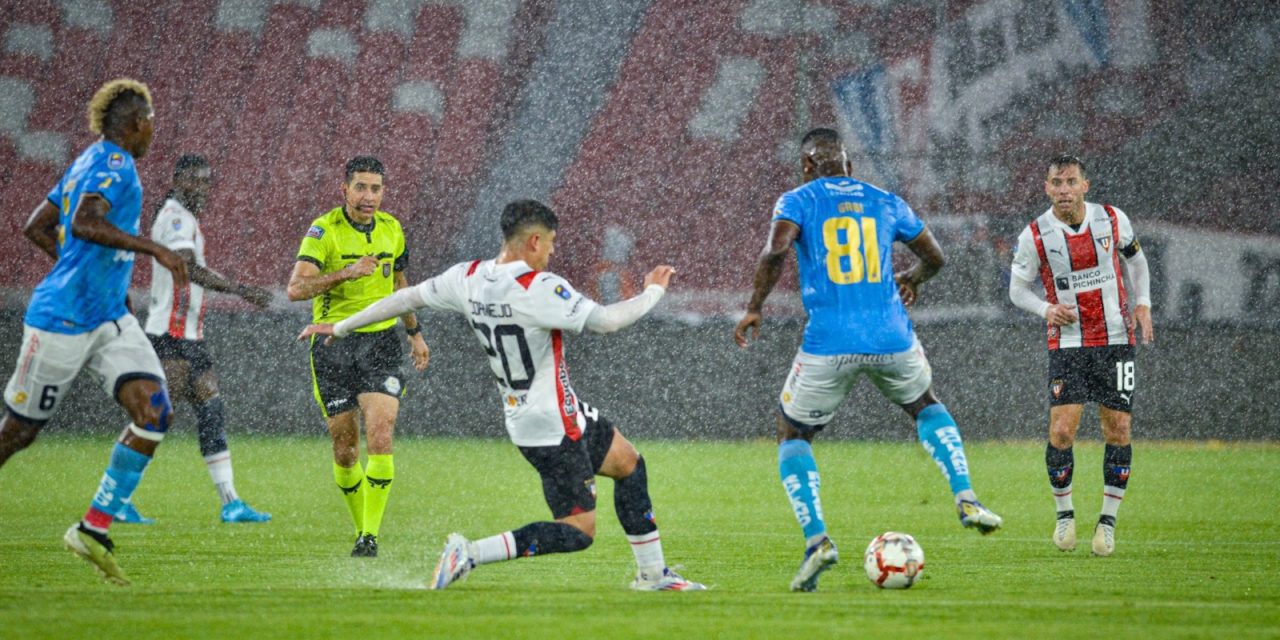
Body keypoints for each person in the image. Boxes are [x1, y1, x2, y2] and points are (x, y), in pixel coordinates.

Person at [298, 200, 705, 591]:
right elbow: (608, 320)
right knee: (579, 531)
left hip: (546, 413)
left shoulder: (468, 277)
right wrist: (653, 291)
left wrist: (341, 326)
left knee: (630, 464)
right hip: (552, 426)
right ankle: (471, 552)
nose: (551, 252)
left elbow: (407, 297)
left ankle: (654, 575)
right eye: (550, 243)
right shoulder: (540, 287)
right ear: (533, 242)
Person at [734, 127, 1002, 593]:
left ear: (807, 166)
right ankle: (967, 498)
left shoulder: (798, 199)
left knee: (793, 433)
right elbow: (935, 257)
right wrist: (913, 277)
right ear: (850, 165)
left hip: (829, 341)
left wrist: (755, 304)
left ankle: (817, 540)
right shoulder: (885, 200)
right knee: (925, 405)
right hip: (891, 335)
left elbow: (776, 250)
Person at [0, 78, 187, 585]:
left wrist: (94, 274)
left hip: (108, 315)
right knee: (17, 433)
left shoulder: (89, 160)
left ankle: (93, 529)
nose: (154, 129)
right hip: (62, 319)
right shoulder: (114, 164)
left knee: (155, 411)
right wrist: (155, 249)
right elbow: (83, 222)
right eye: (150, 119)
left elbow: (37, 226)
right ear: (134, 123)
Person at [1008, 154, 1153, 557]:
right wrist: (1045, 309)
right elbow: (1017, 291)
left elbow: (1137, 261)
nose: (1064, 190)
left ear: (1085, 186)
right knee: (1061, 432)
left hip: (1116, 338)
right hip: (1068, 343)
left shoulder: (1111, 219)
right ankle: (1065, 515)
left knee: (1118, 430)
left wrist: (1143, 304)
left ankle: (1107, 523)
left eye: (1071, 181)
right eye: (1057, 182)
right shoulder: (1035, 235)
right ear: (1046, 187)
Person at [117, 154, 272, 525]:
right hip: (169, 334)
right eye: (194, 181)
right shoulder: (174, 218)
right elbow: (187, 268)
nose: (201, 188)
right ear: (177, 180)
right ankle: (116, 498)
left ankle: (231, 502)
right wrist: (239, 289)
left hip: (189, 335)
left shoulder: (184, 218)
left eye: (206, 181)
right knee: (153, 417)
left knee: (210, 407)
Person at [286, 156, 429, 557]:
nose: (369, 196)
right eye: (361, 188)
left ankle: (370, 536)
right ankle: (361, 527)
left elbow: (401, 286)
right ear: (344, 190)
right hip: (333, 347)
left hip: (381, 344)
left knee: (381, 434)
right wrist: (344, 274)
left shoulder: (392, 229)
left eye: (376, 188)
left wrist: (414, 333)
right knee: (345, 449)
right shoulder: (323, 230)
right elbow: (295, 289)